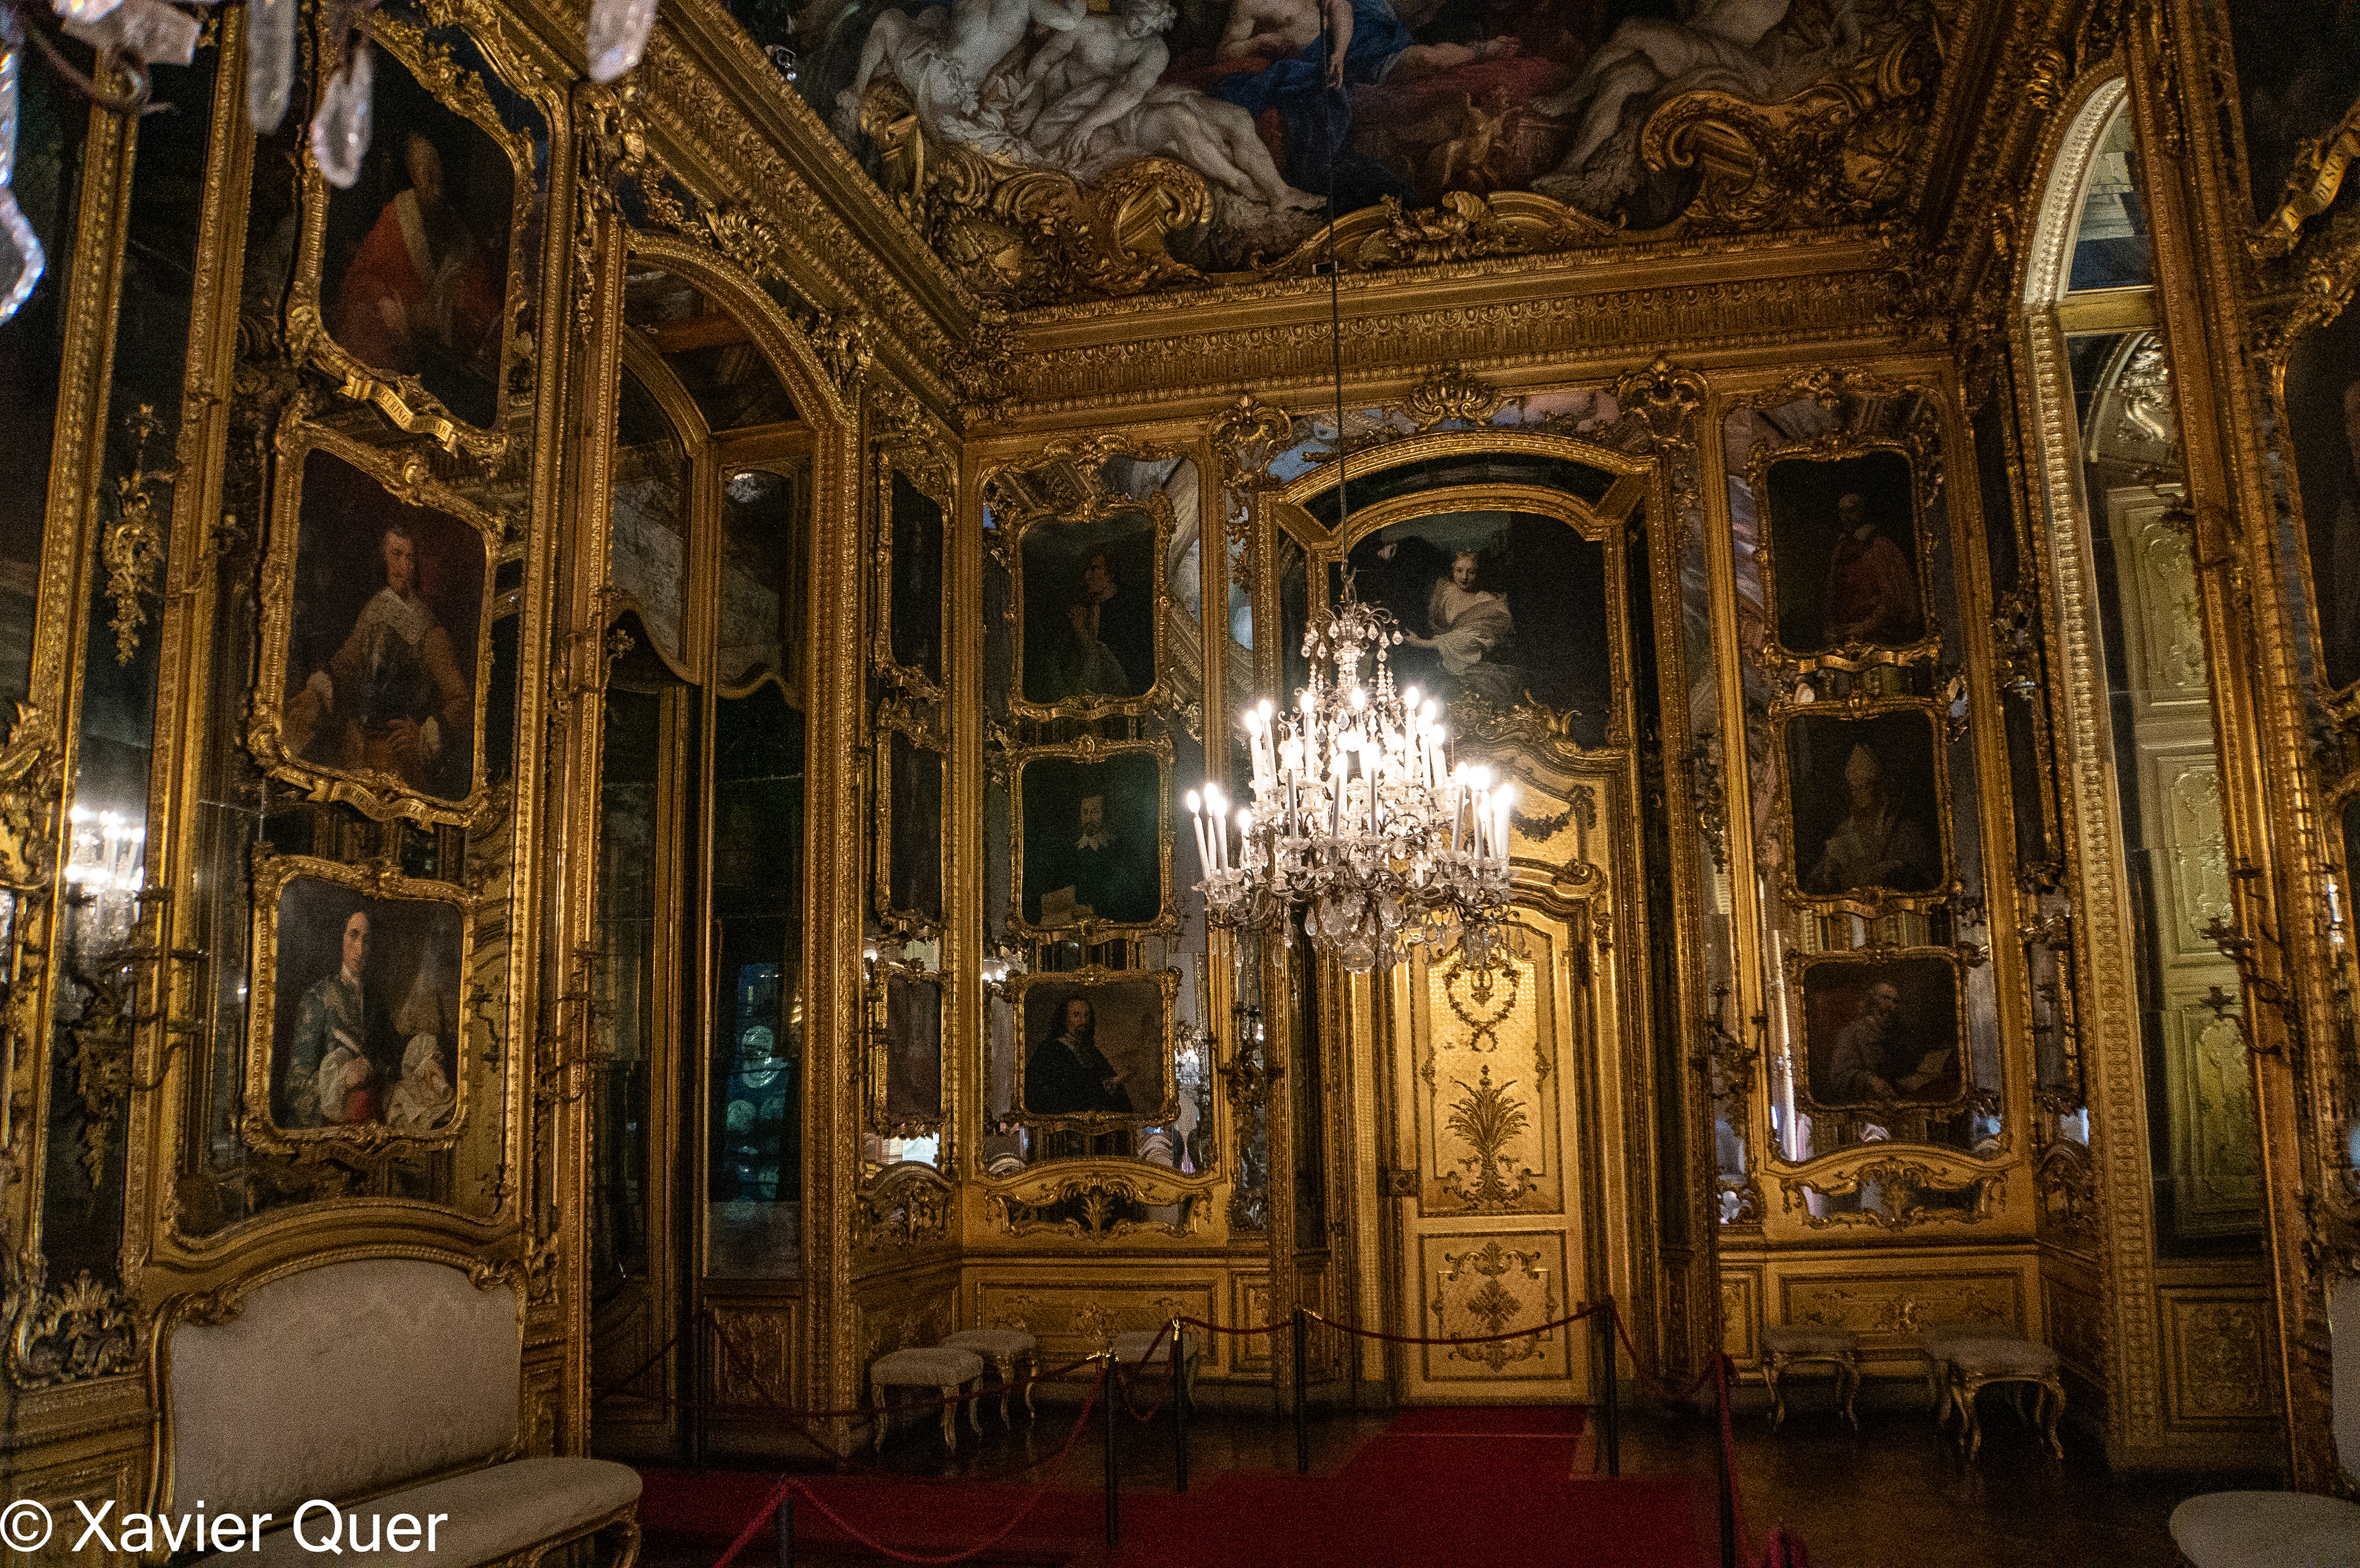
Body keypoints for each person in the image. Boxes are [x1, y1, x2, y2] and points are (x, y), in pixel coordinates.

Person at [286, 523, 473, 799]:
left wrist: (423, 735)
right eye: (397, 555)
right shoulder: (376, 608)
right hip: (356, 749)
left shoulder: (429, 631)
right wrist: (317, 691)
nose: (405, 566)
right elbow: (343, 666)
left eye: (410, 558)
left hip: (398, 760)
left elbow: (462, 700)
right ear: (383, 558)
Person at [331, 133, 503, 404]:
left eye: (438, 172)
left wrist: (464, 302)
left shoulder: (461, 236)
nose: (434, 182)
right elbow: (361, 277)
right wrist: (383, 301)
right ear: (413, 175)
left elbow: (487, 311)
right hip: (398, 357)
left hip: (444, 364)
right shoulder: (394, 221)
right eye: (425, 173)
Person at [286, 909, 394, 1127]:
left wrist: (372, 1066)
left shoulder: (376, 1001)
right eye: (353, 935)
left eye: (367, 940)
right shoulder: (317, 998)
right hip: (333, 1125)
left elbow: (392, 1057)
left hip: (373, 1121)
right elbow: (296, 1085)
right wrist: (343, 1078)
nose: (360, 949)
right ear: (341, 938)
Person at [1807, 742, 1937, 893]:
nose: (1859, 793)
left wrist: (1895, 868)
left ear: (1878, 788)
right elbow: (1816, 879)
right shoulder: (1844, 830)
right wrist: (1827, 874)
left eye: (1864, 787)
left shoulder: (1904, 829)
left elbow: (1926, 879)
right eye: (1855, 788)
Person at [1403, 550, 1522, 705]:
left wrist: (1422, 643)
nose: (1464, 577)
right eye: (1459, 571)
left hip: (1473, 668)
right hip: (1437, 663)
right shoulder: (1445, 592)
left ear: (1479, 573)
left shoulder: (1491, 605)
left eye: (1471, 572)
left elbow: (1470, 639)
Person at [1817, 488, 1923, 648]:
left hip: (1880, 635)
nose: (1846, 518)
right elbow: (1832, 593)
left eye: (1851, 511)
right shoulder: (1841, 548)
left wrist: (1866, 626)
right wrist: (1831, 627)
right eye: (1842, 513)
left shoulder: (1879, 546)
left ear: (1862, 511)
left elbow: (1893, 599)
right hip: (1846, 634)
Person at [1820, 979, 1954, 1104]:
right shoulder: (1852, 1033)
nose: (1891, 1006)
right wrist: (1870, 1080)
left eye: (1895, 1002)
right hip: (1866, 1106)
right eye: (1886, 999)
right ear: (1871, 1001)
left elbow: (1914, 1067)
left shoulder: (1901, 1033)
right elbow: (1838, 1078)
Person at [1037, 791, 1155, 925]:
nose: (1088, 818)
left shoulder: (1121, 850)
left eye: (1094, 812)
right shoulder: (1069, 854)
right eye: (1085, 812)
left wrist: (1095, 910)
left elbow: (1134, 896)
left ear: (1105, 815)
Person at [1044, 549, 1135, 700]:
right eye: (1086, 570)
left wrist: (1081, 631)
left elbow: (1109, 660)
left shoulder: (1125, 608)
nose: (1087, 577)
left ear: (1110, 575)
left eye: (1094, 569)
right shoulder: (1085, 606)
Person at [1025, 995, 1134, 1113]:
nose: (1083, 1020)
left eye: (1086, 1015)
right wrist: (1115, 1081)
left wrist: (1117, 1080)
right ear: (1064, 1019)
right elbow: (1067, 1093)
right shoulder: (1050, 1050)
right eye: (1076, 1015)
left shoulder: (1091, 1052)